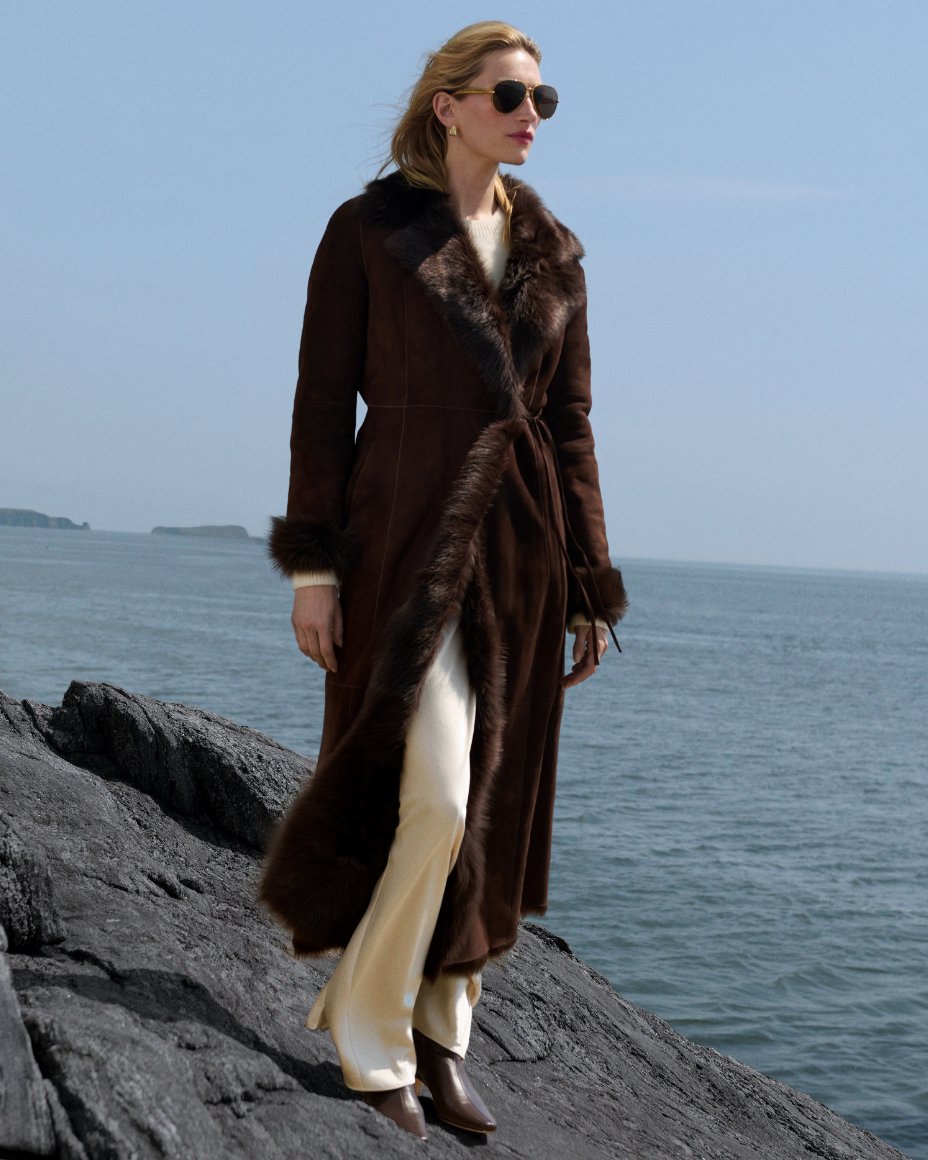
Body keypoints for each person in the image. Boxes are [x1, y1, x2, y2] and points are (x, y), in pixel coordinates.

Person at [258, 20, 627, 1142]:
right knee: (435, 800)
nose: (531, 112)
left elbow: (569, 424)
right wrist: (312, 566)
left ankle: (440, 1033)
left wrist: (588, 578)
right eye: (510, 91)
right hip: (401, 543)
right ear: (447, 106)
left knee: (492, 811)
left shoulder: (556, 250)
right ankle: (370, 1034)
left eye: (543, 97)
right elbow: (323, 404)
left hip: (520, 552)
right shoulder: (369, 232)